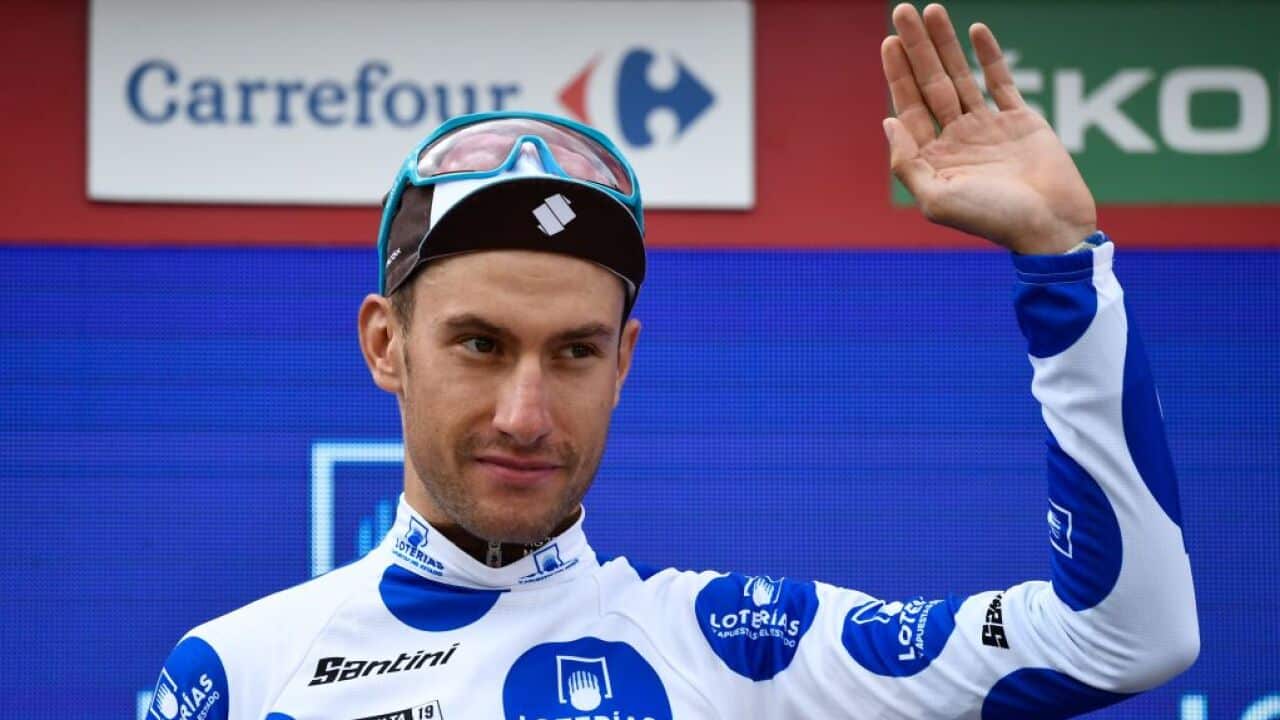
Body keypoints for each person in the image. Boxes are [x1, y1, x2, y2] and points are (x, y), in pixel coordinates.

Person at [149, 5, 1198, 719]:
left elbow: (1123, 635)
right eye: (479, 345)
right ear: (386, 344)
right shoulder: (234, 676)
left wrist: (1058, 264)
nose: (525, 412)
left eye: (572, 352)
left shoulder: (732, 649)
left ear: (624, 365)